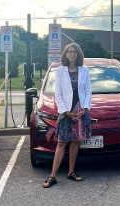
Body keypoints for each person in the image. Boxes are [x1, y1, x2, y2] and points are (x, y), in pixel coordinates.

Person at [42, 43, 92, 188]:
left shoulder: (85, 70)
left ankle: (71, 171)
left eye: (74, 52)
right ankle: (53, 175)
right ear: (65, 54)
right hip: (66, 111)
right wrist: (66, 112)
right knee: (62, 142)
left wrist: (85, 109)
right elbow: (58, 93)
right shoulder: (60, 71)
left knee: (76, 140)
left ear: (78, 54)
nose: (72, 54)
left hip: (80, 109)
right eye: (69, 52)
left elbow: (88, 91)